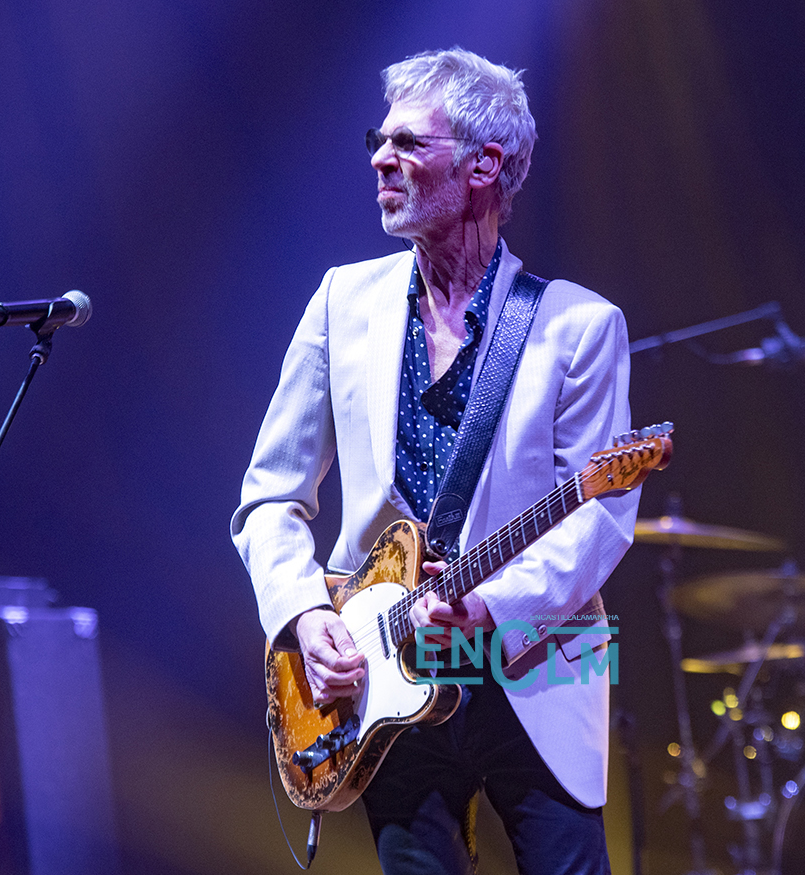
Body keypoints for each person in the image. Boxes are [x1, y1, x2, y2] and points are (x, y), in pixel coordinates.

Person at [231, 47, 638, 875]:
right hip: (382, 677)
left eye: (410, 143)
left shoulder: (579, 326)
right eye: (378, 140)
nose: (380, 159)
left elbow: (599, 518)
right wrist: (302, 615)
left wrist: (486, 607)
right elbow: (270, 497)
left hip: (533, 666)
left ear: (483, 165)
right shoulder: (342, 301)